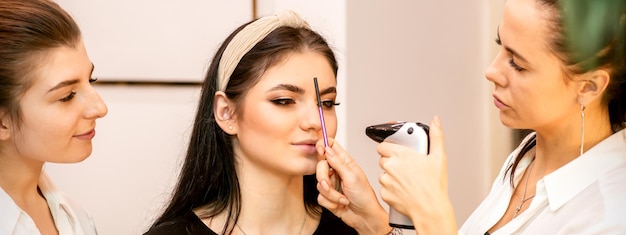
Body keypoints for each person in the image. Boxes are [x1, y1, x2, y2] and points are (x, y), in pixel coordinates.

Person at [315, 0, 626, 234]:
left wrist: (432, 213)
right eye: (500, 46)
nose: (492, 71)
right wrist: (377, 225)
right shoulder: (526, 159)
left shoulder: (611, 216)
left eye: (517, 64)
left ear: (588, 86)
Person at [144, 10, 361, 235]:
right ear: (227, 113)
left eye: (326, 103)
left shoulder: (355, 229)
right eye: (284, 101)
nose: (314, 121)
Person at [0, 0, 108, 234]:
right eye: (67, 96)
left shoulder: (77, 218)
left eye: (91, 81)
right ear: (2, 122)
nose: (100, 108)